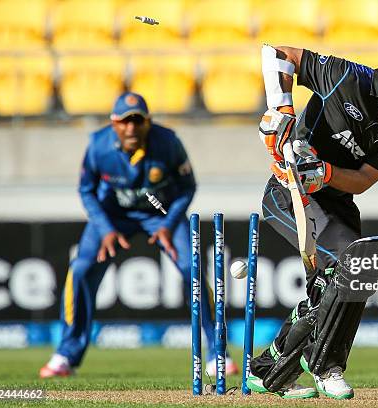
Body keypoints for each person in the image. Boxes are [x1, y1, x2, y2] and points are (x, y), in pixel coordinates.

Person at [247, 41, 378, 399]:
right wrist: (281, 109)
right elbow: (281, 53)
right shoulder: (345, 77)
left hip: (335, 203)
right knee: (354, 265)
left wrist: (324, 173)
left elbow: (363, 180)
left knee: (330, 290)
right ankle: (325, 365)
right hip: (289, 193)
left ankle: (267, 373)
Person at [39, 92, 238, 378]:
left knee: (191, 268)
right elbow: (86, 191)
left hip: (162, 216)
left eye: (137, 121)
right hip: (113, 217)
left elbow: (187, 187)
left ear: (148, 122)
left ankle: (218, 353)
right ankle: (66, 355)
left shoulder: (167, 142)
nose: (131, 128)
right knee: (81, 269)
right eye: (124, 122)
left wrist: (169, 224)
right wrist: (106, 229)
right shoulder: (98, 146)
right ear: (114, 123)